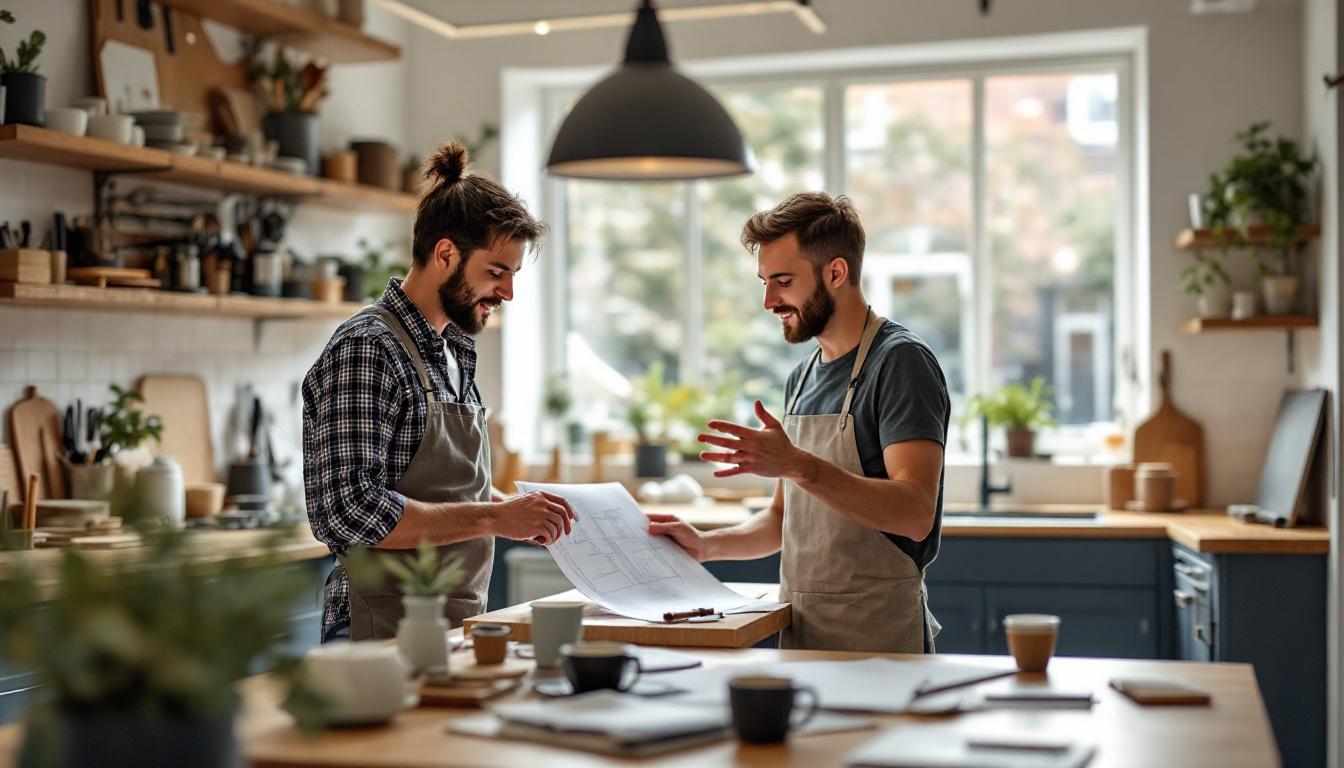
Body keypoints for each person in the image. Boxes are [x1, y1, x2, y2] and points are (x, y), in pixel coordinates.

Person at [648, 192, 949, 653]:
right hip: (804, 633)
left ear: (836, 272)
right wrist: (706, 546)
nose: (768, 300)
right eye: (765, 282)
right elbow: (780, 520)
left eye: (783, 281)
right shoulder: (803, 376)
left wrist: (798, 465)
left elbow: (914, 514)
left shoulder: (900, 362)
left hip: (880, 637)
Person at [303, 141, 576, 642]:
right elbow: (350, 512)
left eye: (513, 276)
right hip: (379, 630)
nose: (508, 293)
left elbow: (439, 490)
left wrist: (519, 514)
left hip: (448, 628)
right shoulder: (369, 350)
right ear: (446, 254)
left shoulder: (453, 350)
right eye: (496, 273)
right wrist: (495, 516)